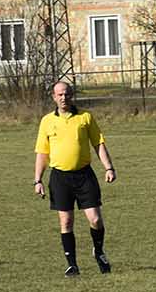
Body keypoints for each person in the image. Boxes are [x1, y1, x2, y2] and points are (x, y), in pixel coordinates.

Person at [33, 81, 117, 276]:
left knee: (95, 219)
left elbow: (98, 143)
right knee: (66, 222)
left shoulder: (85, 117)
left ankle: (99, 251)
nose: (64, 98)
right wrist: (38, 180)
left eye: (67, 94)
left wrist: (109, 168)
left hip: (84, 175)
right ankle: (72, 265)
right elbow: (42, 153)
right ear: (54, 97)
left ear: (72, 95)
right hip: (60, 178)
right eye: (60, 95)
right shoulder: (47, 121)